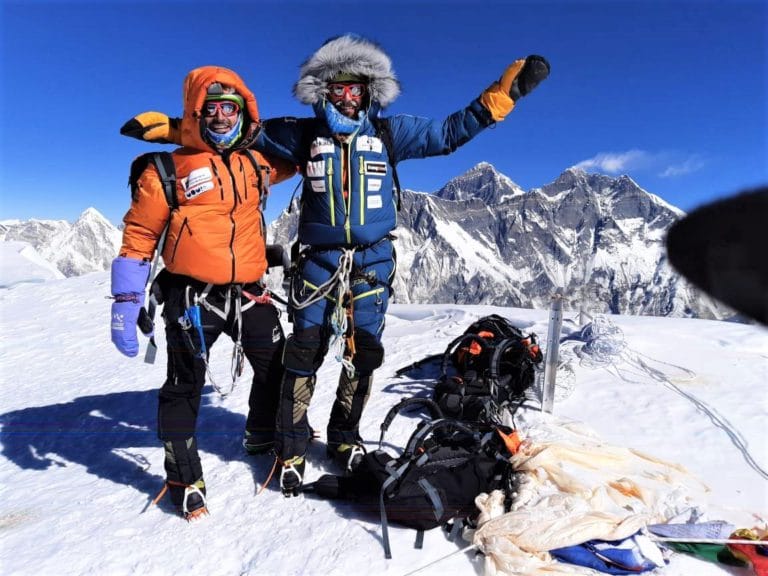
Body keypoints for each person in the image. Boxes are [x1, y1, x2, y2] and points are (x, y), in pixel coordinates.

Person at [120, 35, 550, 497]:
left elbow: (448, 133)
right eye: (338, 89)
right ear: (323, 93)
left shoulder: (390, 133)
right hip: (316, 263)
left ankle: (344, 439)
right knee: (302, 353)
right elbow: (235, 132)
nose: (347, 97)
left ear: (370, 93)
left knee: (362, 354)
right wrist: (174, 129)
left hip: (373, 261)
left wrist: (500, 97)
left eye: (356, 89)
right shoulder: (301, 134)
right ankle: (292, 446)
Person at [110, 66, 295, 518]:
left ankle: (261, 434)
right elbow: (138, 236)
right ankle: (183, 477)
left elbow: (302, 153)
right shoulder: (166, 171)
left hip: (250, 292)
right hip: (192, 298)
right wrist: (125, 301)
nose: (220, 116)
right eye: (209, 108)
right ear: (196, 112)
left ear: (243, 113)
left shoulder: (256, 164)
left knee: (278, 369)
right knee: (183, 386)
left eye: (230, 108)